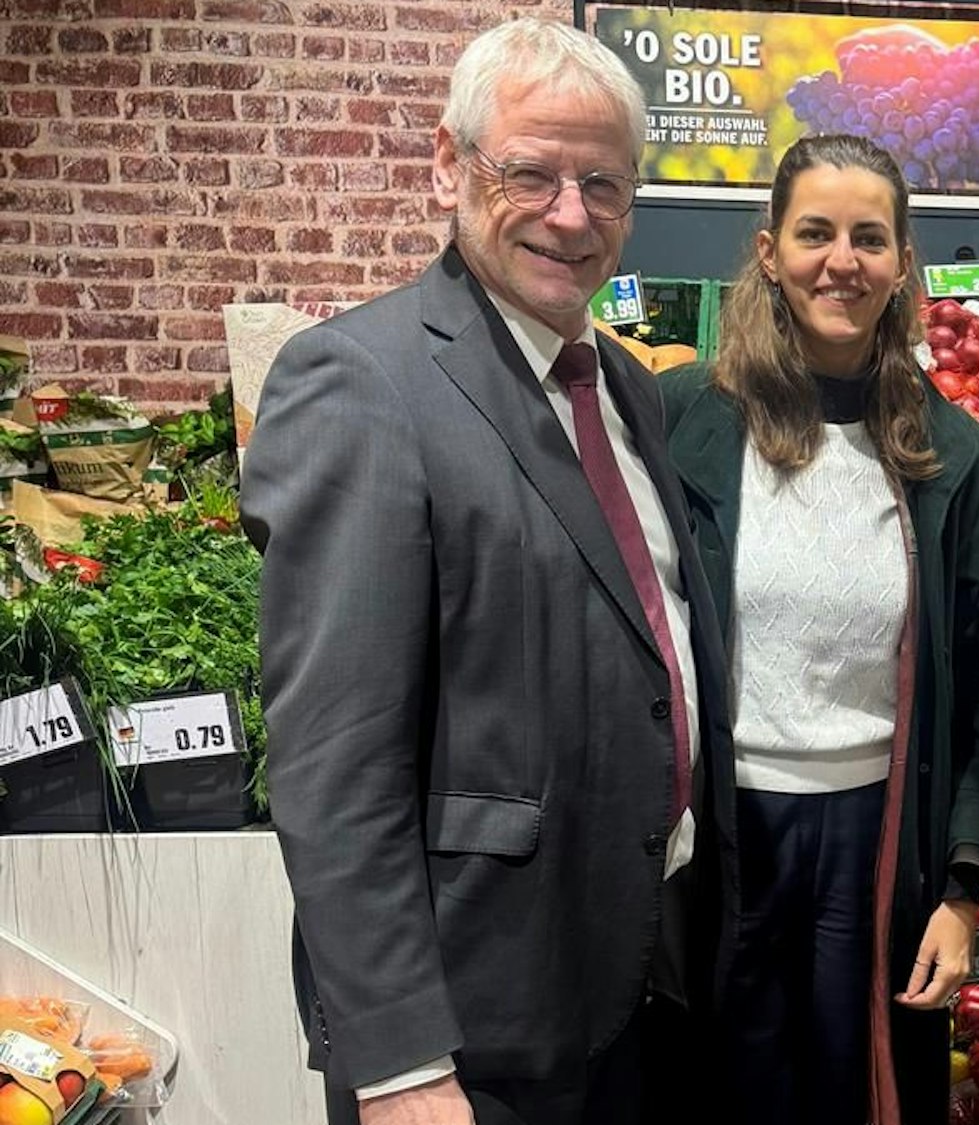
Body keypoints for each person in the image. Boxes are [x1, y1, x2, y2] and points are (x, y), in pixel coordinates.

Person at [240, 19, 731, 1125]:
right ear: (447, 167)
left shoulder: (626, 389)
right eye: (532, 173)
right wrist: (402, 1063)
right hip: (475, 1027)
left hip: (628, 986)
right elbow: (333, 764)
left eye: (603, 184)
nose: (571, 215)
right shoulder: (360, 385)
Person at [656, 133, 979, 1125]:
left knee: (859, 1089)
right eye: (814, 233)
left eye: (868, 238)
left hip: (876, 842)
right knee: (722, 1088)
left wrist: (958, 887)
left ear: (902, 265)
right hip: (725, 836)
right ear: (769, 250)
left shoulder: (948, 452)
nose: (840, 262)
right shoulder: (684, 417)